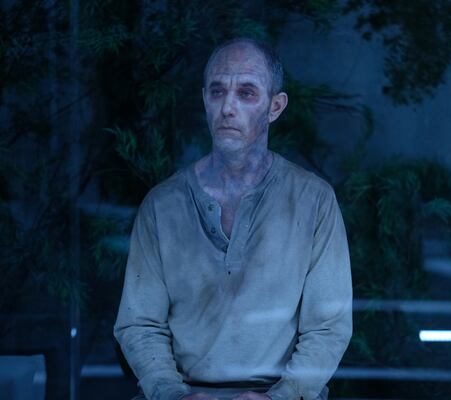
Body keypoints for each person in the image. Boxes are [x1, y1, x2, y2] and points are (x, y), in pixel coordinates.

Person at [114, 37, 353, 400]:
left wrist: (283, 396)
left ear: (275, 107)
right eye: (217, 91)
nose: (227, 107)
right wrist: (172, 393)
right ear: (204, 100)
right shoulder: (163, 206)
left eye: (246, 93)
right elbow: (140, 323)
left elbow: (328, 327)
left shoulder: (313, 201)